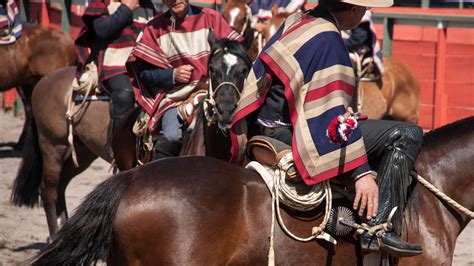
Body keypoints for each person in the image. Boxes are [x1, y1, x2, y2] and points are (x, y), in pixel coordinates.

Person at [230, 0, 424, 257]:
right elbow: (331, 119)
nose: (365, 13)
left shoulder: (297, 21)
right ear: (354, 11)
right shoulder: (329, 40)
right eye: (365, 9)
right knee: (408, 133)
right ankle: (378, 228)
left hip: (265, 126)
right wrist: (361, 173)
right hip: (292, 132)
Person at [126, 0, 243, 160]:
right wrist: (172, 75)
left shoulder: (211, 18)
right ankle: (161, 180)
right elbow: (144, 74)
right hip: (175, 98)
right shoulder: (154, 28)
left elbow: (235, 53)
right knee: (172, 136)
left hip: (213, 93)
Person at [74, 0, 156, 157]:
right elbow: (101, 30)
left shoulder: (148, 6)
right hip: (115, 63)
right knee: (125, 93)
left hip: (143, 66)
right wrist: (126, 8)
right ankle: (118, 145)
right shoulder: (103, 2)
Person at [342, 9, 383, 80]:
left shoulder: (362, 15)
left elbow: (356, 41)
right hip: (339, 47)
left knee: (340, 65)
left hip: (356, 52)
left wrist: (336, 43)